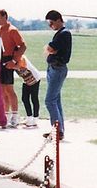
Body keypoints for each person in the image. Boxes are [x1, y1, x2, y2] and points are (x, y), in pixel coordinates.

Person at [0, 9, 26, 127]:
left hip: (9, 59)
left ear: (5, 16)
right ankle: (5, 115)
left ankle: (15, 116)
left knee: (9, 89)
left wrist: (14, 61)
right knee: (2, 90)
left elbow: (23, 46)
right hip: (0, 59)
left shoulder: (12, 30)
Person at [44, 9, 72, 139]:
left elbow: (50, 48)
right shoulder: (60, 34)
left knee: (50, 101)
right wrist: (51, 50)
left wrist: (51, 50)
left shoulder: (64, 34)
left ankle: (57, 131)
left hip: (58, 68)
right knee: (56, 101)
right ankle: (58, 129)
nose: (51, 26)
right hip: (53, 68)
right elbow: (50, 49)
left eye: (51, 23)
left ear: (58, 20)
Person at [12, 52, 42, 128]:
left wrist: (8, 64)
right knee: (24, 98)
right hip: (26, 80)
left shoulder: (21, 58)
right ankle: (29, 117)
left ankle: (35, 118)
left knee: (34, 98)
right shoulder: (13, 59)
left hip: (34, 78)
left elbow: (18, 66)